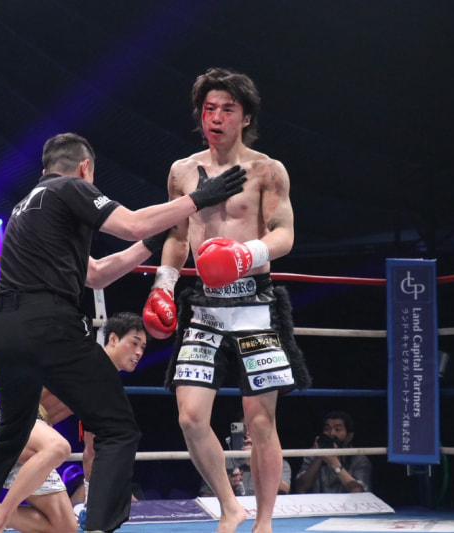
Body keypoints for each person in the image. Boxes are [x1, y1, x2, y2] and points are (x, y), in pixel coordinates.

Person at [0, 132, 246, 533]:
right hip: (48, 324)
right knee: (117, 428)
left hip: (5, 328)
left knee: (10, 433)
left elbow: (96, 274)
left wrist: (152, 242)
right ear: (85, 168)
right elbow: (132, 223)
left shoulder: (28, 206)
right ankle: (99, 528)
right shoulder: (70, 187)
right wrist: (198, 199)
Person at [141, 67, 311, 533]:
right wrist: (163, 285)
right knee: (191, 417)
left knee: (260, 422)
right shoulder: (182, 171)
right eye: (209, 108)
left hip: (255, 303)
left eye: (227, 109)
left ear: (246, 117)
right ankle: (230, 505)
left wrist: (243, 255)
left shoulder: (267, 170)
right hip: (205, 306)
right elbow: (178, 237)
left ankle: (264, 522)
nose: (215, 117)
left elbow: (284, 234)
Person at [0, 312, 150, 533]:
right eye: (134, 343)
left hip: (38, 440)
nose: (139, 352)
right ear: (113, 339)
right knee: (58, 447)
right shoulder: (84, 356)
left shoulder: (107, 390)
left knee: (64, 528)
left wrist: (91, 502)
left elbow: (92, 450)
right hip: (18, 420)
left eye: (143, 347)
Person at [199, 418, 291, 497]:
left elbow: (284, 490)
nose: (247, 434)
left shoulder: (279, 463)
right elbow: (206, 496)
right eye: (243, 429)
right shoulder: (220, 463)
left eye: (254, 429)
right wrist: (227, 486)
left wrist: (261, 462)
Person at [294, 410, 372, 494]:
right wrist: (318, 458)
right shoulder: (312, 454)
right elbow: (300, 488)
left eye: (338, 429)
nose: (332, 433)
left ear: (349, 436)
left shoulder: (359, 459)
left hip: (348, 502)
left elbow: (358, 492)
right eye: (327, 429)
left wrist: (334, 462)